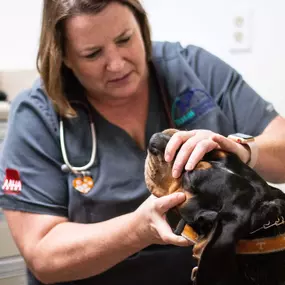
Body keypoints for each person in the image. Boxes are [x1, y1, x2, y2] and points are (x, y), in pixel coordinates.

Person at [1, 0, 285, 284]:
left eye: (125, 39)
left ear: (141, 25)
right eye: (93, 54)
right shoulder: (36, 116)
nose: (116, 63)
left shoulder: (193, 69)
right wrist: (137, 230)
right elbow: (43, 255)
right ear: (63, 56)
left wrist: (246, 149)